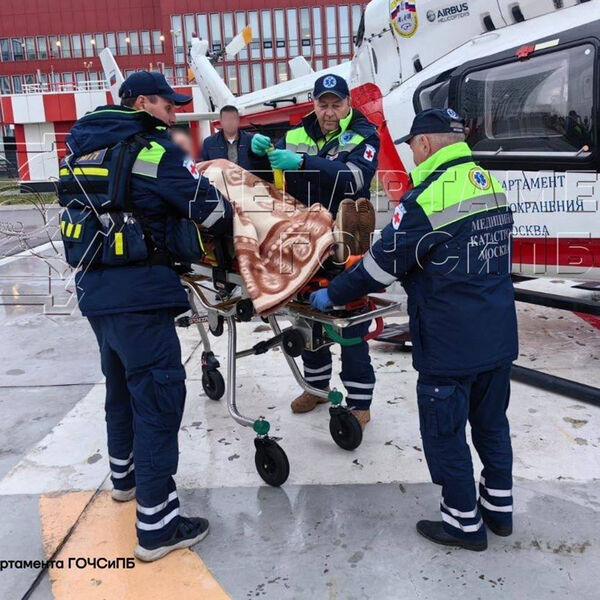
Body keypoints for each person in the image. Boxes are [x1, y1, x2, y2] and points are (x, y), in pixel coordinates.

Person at [310, 108, 518, 551]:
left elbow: (381, 266)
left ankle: (463, 524)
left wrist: (336, 293)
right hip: (498, 332)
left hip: (449, 339)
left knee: (445, 433)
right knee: (491, 425)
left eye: (412, 146)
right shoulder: (489, 182)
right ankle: (499, 511)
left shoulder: (429, 196)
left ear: (424, 143)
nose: (412, 155)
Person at [64, 71, 232, 561]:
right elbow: (212, 211)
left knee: (120, 385)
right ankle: (158, 528)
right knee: (158, 398)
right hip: (140, 295)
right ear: (141, 103)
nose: (174, 114)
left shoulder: (82, 148)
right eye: (168, 105)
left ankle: (126, 478)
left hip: (95, 291)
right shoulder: (153, 151)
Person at [249, 73, 380, 430]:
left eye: (337, 104)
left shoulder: (365, 135)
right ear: (314, 104)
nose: (329, 112)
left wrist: (303, 164)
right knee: (305, 320)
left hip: (345, 243)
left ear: (348, 104)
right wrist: (256, 152)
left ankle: (360, 402)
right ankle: (317, 387)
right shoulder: (295, 134)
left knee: (349, 325)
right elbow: (270, 175)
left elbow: (354, 178)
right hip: (303, 242)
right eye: (323, 104)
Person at [201, 104, 255, 169]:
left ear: (238, 120)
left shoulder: (251, 140)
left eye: (232, 118)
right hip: (220, 176)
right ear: (221, 121)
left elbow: (260, 165)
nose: (229, 122)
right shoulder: (209, 143)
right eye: (226, 119)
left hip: (246, 176)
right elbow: (203, 167)